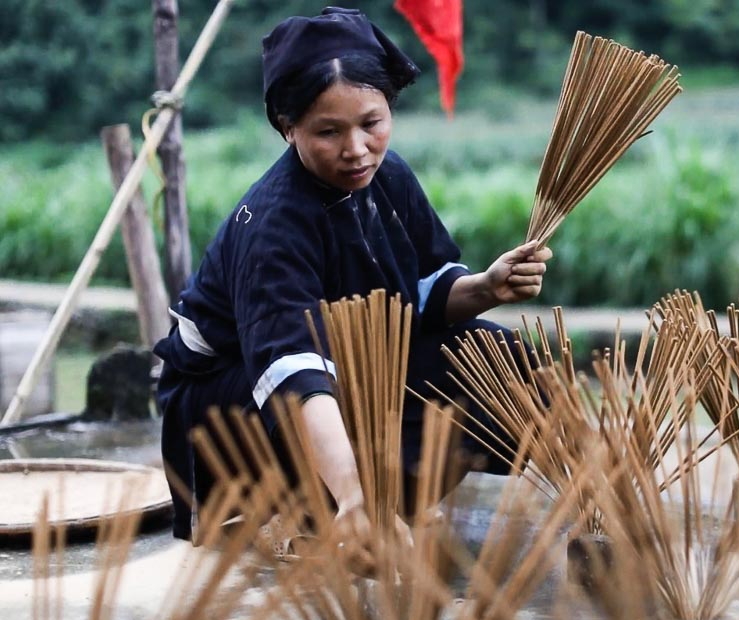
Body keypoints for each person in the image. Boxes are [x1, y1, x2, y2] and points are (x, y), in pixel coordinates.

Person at [153, 6, 553, 546]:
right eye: (328, 132)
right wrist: (354, 497)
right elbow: (292, 376)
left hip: (348, 359)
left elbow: (425, 294)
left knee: (498, 362)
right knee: (338, 395)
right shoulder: (274, 225)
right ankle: (327, 512)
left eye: (372, 123)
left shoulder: (390, 177)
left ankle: (394, 502)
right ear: (286, 127)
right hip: (237, 395)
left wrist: (484, 288)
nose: (357, 149)